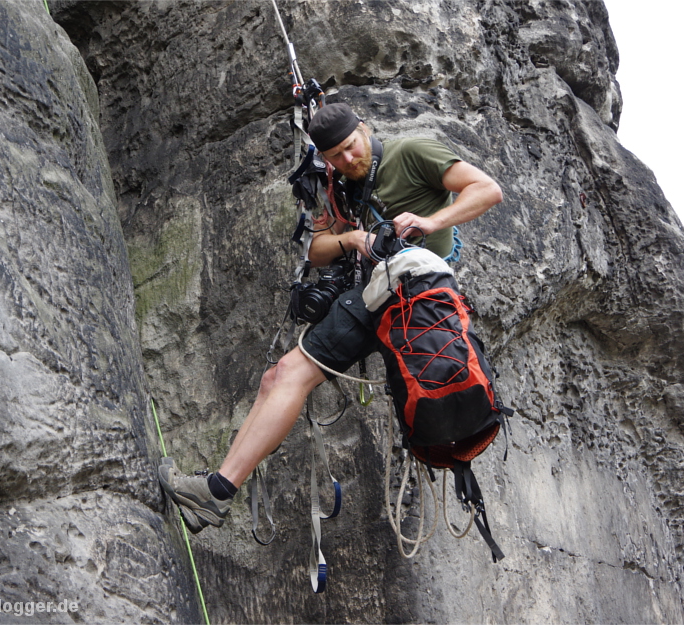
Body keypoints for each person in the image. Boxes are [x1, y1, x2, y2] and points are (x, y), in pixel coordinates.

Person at [159, 103, 503, 533]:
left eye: (350, 147)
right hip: (377, 294)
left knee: (288, 375)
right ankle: (217, 491)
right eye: (335, 156)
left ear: (365, 129)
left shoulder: (411, 152)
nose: (347, 160)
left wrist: (430, 220)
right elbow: (316, 249)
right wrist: (353, 238)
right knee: (278, 377)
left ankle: (216, 493)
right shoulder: (336, 186)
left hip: (418, 289)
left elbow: (487, 190)